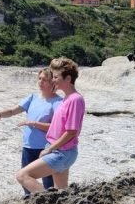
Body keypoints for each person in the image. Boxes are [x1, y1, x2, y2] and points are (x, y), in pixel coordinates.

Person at [0, 68, 63, 195]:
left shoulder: (58, 102)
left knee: (49, 185)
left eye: (45, 80)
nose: (41, 82)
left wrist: (33, 123)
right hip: (28, 147)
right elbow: (12, 111)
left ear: (52, 82)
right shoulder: (32, 97)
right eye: (39, 79)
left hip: (46, 149)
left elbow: (56, 127)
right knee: (26, 182)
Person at [16, 57, 85, 194]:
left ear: (68, 79)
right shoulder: (67, 99)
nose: (53, 80)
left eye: (55, 77)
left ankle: (46, 203)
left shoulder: (75, 100)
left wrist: (49, 149)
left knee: (22, 175)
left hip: (62, 152)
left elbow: (71, 131)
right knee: (61, 193)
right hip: (61, 151)